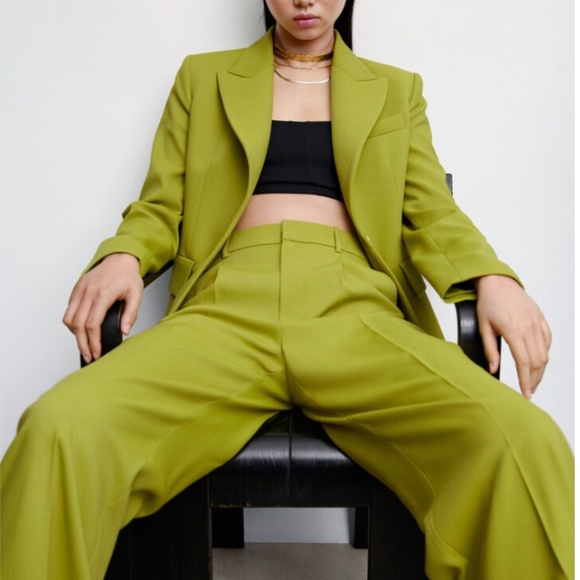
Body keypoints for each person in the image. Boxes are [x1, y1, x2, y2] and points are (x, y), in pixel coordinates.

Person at [1, 1, 573, 578]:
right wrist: (123, 254)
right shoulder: (202, 78)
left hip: (355, 312)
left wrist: (493, 278)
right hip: (224, 311)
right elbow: (159, 206)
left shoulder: (397, 91)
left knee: (525, 443)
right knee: (56, 431)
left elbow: (433, 214)